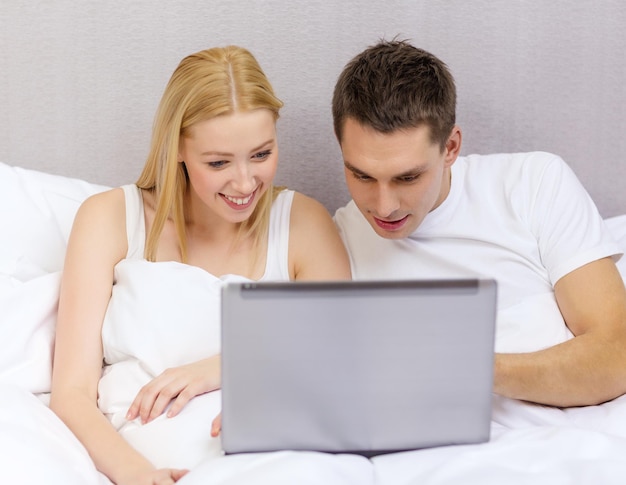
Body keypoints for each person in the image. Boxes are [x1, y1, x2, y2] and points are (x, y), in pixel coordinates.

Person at [50, 45, 351, 485]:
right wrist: (138, 474)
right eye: (218, 163)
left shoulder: (303, 224)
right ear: (177, 149)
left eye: (262, 154)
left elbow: (343, 353)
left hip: (282, 458)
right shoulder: (110, 218)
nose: (246, 183)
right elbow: (72, 393)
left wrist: (220, 368)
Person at [332, 39, 626, 408]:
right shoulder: (332, 246)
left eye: (407, 178)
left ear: (451, 148)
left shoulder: (534, 184)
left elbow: (616, 354)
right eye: (362, 176)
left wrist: (467, 367)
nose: (384, 206)